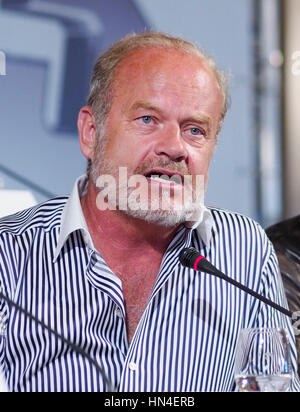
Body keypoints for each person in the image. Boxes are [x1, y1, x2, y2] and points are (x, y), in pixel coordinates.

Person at [0, 31, 299, 392]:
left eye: (194, 130)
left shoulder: (245, 252)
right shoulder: (10, 254)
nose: (174, 148)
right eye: (147, 120)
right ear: (90, 133)